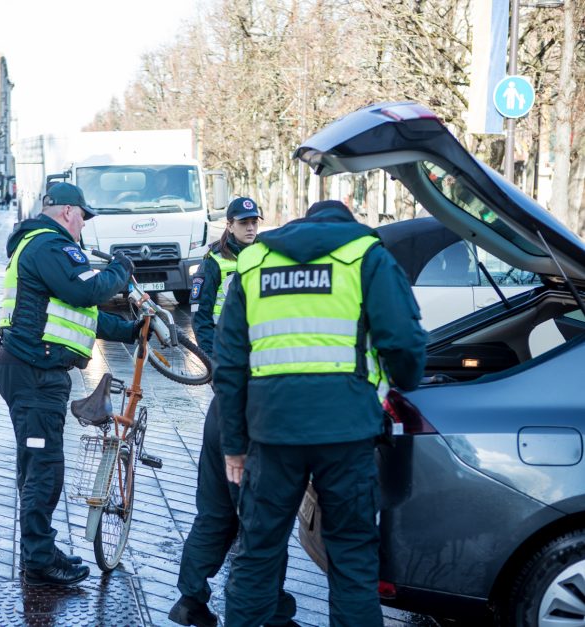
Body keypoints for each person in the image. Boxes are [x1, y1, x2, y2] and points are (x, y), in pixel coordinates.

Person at [215, 200, 427, 627]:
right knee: (351, 556)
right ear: (347, 225)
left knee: (258, 552)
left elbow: (230, 364)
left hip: (272, 435)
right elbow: (403, 342)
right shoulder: (366, 256)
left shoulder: (253, 262)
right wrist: (404, 380)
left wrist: (234, 445)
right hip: (347, 432)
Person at [0, 182, 141, 587]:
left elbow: (78, 312)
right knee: (43, 469)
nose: (84, 225)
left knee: (40, 467)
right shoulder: (48, 246)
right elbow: (85, 289)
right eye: (83, 216)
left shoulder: (43, 247)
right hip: (34, 374)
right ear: (67, 213)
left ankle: (40, 550)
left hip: (34, 371)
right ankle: (39, 561)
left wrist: (130, 331)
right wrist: (120, 269)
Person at [171, 197, 299, 627]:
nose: (250, 228)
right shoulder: (226, 266)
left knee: (215, 512)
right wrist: (216, 360)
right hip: (248, 407)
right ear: (229, 225)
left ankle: (190, 599)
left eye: (254, 222)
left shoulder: (258, 263)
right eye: (243, 222)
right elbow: (200, 316)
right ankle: (270, 607)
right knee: (262, 518)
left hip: (225, 405)